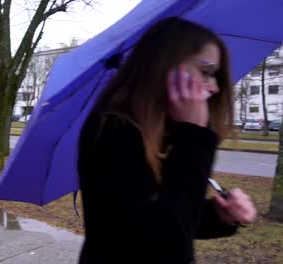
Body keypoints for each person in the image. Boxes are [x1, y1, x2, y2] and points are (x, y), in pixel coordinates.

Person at [77, 17, 257, 263]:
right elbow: (163, 239)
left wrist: (219, 215)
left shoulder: (165, 133)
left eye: (216, 76)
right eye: (205, 72)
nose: (214, 87)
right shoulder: (113, 129)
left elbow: (172, 214)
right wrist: (193, 138)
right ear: (163, 67)